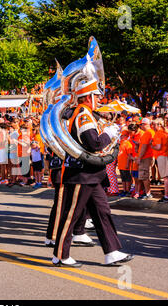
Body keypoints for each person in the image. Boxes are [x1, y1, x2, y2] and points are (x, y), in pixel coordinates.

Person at [51, 75, 133, 268]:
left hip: (92, 175)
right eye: (96, 95)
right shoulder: (83, 114)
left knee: (103, 212)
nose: (99, 99)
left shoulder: (87, 113)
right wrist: (108, 134)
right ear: (87, 97)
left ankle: (112, 252)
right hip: (81, 174)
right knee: (71, 215)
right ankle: (60, 255)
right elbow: (93, 143)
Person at [150, 118, 168, 203]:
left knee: (165, 178)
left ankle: (166, 196)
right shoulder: (165, 132)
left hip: (162, 155)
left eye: (155, 124)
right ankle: (167, 195)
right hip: (165, 155)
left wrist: (151, 145)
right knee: (167, 177)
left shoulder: (159, 133)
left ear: (159, 125)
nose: (153, 126)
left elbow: (158, 147)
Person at [135, 118, 155, 199]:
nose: (140, 126)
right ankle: (146, 192)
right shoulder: (151, 132)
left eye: (141, 124)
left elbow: (144, 146)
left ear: (145, 124)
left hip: (145, 157)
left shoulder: (148, 133)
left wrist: (139, 157)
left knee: (144, 176)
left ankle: (148, 193)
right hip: (148, 156)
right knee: (144, 176)